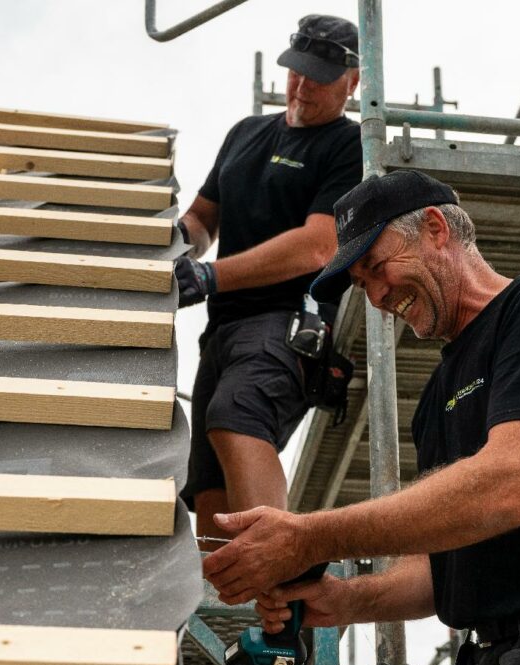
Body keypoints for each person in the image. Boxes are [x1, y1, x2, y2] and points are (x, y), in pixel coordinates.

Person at [202, 170, 520, 665]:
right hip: (491, 656)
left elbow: (510, 487)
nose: (375, 297)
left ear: (436, 229)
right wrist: (349, 600)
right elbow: (442, 570)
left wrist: (311, 538)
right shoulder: (436, 398)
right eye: (361, 284)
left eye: (376, 266)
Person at [175, 15, 363, 542]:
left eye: (318, 78)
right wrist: (170, 245)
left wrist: (209, 277)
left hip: (286, 324)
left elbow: (319, 245)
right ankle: (241, 612)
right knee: (208, 486)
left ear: (353, 82)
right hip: (221, 331)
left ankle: (281, 565)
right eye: (296, 72)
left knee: (237, 415)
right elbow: (202, 219)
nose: (302, 87)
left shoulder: (349, 147)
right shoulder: (246, 133)